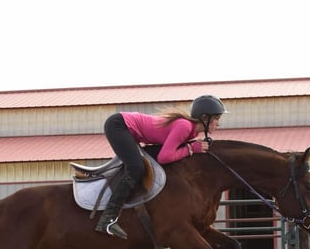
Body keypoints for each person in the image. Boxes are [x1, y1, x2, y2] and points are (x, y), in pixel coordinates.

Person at [95, 94, 228, 239]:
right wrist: (191, 149)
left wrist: (190, 147)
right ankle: (108, 218)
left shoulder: (191, 132)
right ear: (205, 118)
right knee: (136, 168)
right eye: (216, 119)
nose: (218, 123)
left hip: (127, 128)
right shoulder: (184, 127)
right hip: (119, 125)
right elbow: (164, 157)